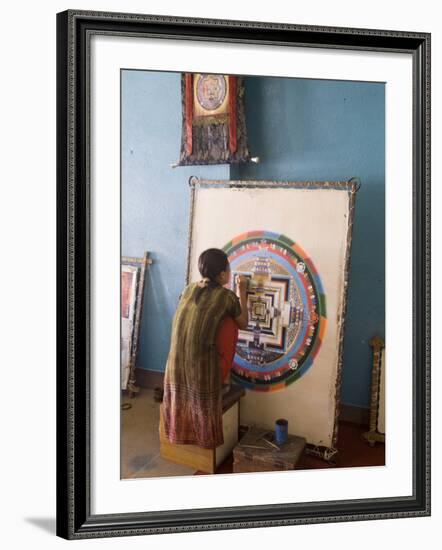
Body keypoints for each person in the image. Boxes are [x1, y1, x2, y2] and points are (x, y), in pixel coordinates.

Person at [161, 248, 249, 449]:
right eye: (228, 268)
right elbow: (243, 323)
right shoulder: (226, 296)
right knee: (228, 329)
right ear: (222, 275)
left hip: (173, 367)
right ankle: (205, 439)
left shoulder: (188, 289)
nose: (229, 271)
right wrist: (242, 292)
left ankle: (177, 433)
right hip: (201, 371)